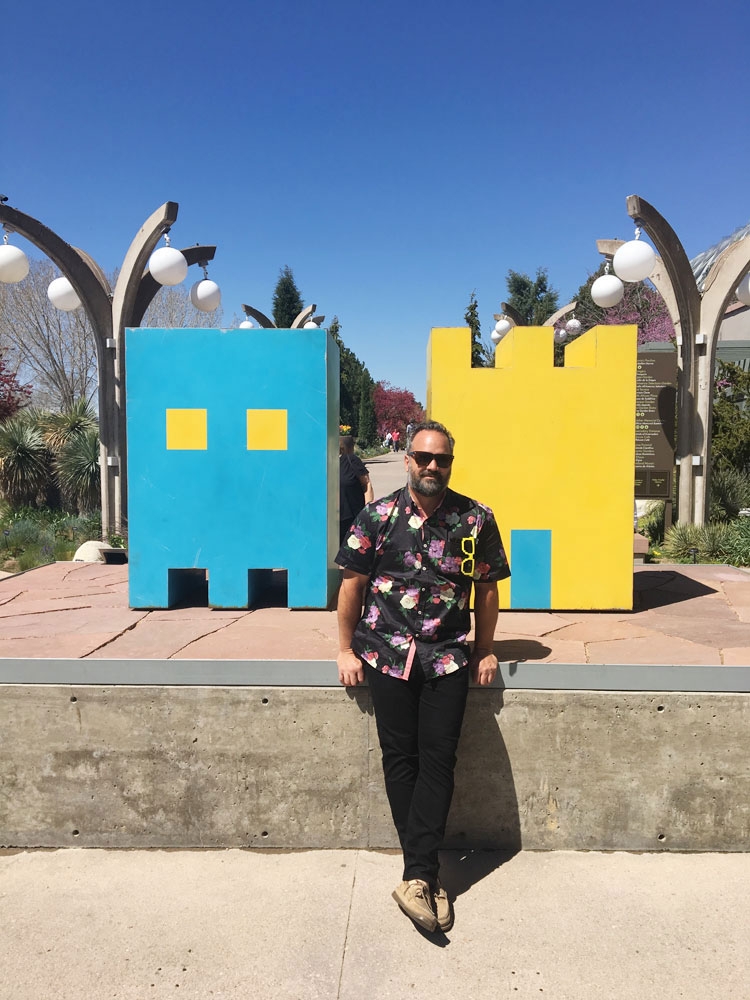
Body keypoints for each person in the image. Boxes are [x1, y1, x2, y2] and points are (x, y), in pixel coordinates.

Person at [336, 420, 510, 934]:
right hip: (386, 654)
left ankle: (417, 874)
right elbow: (353, 585)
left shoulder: (475, 519)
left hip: (448, 657)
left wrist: (485, 650)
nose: (433, 466)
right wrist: (345, 649)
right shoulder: (378, 515)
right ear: (408, 460)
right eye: (424, 457)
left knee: (439, 759)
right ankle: (423, 875)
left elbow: (487, 591)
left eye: (443, 459)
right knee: (400, 757)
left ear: (451, 463)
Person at [339, 435, 374, 544]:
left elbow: (366, 483)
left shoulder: (351, 460)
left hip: (352, 518)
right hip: (329, 519)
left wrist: (368, 510)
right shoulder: (324, 462)